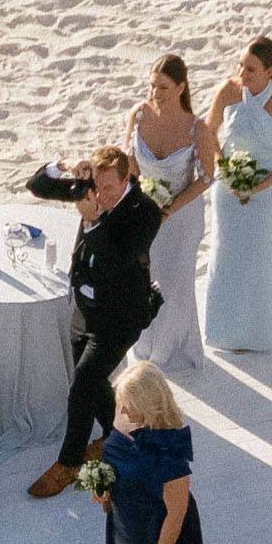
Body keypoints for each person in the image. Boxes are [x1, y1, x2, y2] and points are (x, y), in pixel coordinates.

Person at [23, 143, 166, 491]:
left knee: (82, 387)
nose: (100, 195)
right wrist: (69, 165)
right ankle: (116, 435)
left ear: (127, 179)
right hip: (85, 310)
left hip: (121, 315)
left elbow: (119, 257)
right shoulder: (91, 189)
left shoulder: (145, 211)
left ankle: (69, 462)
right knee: (92, 382)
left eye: (109, 189)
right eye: (96, 188)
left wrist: (94, 220)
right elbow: (38, 185)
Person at [97, 361, 212, 544]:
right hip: (125, 524)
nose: (122, 412)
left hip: (158, 529)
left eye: (128, 404)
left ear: (149, 404)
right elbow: (114, 458)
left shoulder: (168, 446)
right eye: (120, 403)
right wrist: (104, 489)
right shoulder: (124, 417)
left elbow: (177, 509)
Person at [201, 37, 272, 351]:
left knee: (260, 259)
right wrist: (224, 165)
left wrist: (266, 183)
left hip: (267, 192)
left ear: (270, 71)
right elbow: (209, 132)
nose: (242, 74)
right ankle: (225, 332)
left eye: (251, 69)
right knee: (227, 255)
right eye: (241, 65)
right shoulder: (228, 91)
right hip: (229, 188)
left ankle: (259, 333)